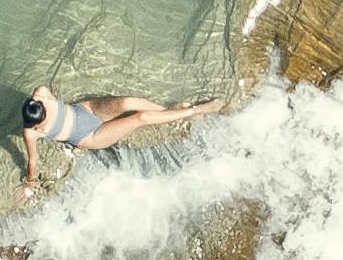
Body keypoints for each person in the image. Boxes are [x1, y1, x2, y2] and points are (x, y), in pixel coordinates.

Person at [17, 82, 229, 194]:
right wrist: (31, 182)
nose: (45, 123)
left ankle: (167, 112)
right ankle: (197, 111)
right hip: (89, 136)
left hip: (86, 111)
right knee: (141, 118)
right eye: (42, 124)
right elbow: (33, 160)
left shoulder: (41, 93)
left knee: (127, 103)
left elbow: (55, 99)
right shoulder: (31, 132)